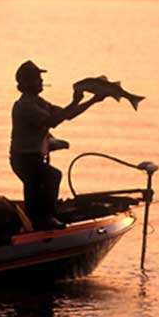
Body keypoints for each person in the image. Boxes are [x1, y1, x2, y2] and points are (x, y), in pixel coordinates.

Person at [10, 60, 106, 230]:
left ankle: (40, 219)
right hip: (24, 159)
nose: (40, 81)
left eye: (40, 78)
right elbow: (53, 121)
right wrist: (74, 101)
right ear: (25, 84)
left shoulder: (39, 102)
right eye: (36, 78)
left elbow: (66, 115)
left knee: (37, 188)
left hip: (34, 158)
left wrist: (92, 101)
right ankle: (45, 219)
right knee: (52, 176)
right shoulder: (25, 105)